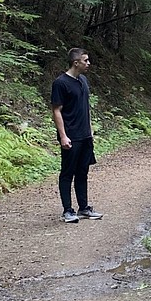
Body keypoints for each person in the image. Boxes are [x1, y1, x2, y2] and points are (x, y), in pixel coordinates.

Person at [51, 47, 105, 224]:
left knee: (83, 172)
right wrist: (63, 136)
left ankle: (83, 208)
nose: (88, 63)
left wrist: (89, 131)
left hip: (85, 136)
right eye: (86, 60)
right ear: (76, 62)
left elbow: (85, 107)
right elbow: (57, 111)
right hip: (71, 136)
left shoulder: (83, 80)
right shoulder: (60, 83)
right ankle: (67, 210)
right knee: (67, 173)